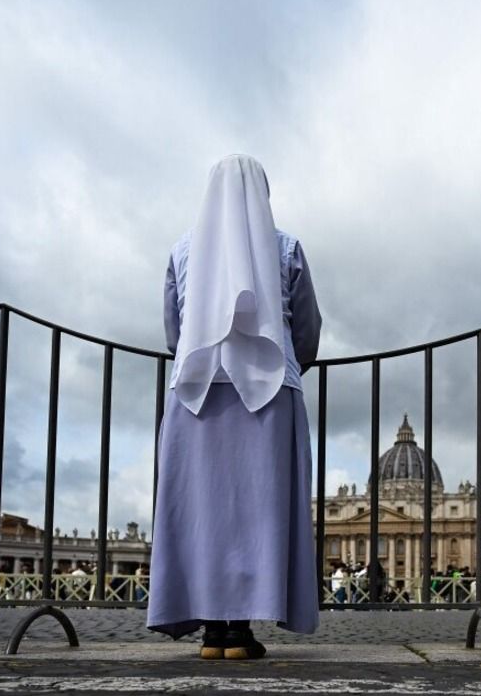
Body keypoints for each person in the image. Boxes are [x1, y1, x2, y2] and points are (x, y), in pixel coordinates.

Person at [147, 155, 322, 660]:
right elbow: (308, 329)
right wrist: (286, 361)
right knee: (257, 511)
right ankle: (240, 631)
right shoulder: (286, 247)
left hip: (196, 389)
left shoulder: (182, 249)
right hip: (271, 388)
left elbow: (172, 331)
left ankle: (212, 633)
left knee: (200, 512)